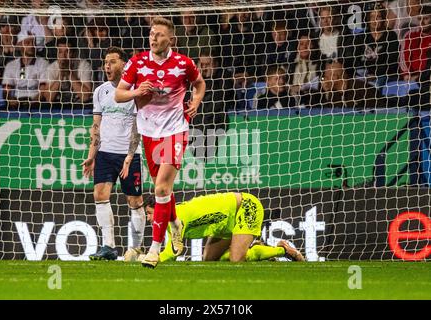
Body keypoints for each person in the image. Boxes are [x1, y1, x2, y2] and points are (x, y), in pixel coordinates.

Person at [115, 17, 206, 268]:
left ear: (171, 39)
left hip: (175, 130)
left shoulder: (183, 63)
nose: (153, 38)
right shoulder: (138, 62)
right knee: (161, 188)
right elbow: (119, 94)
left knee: (162, 189)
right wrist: (137, 91)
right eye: (152, 33)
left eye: (159, 34)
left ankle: (155, 250)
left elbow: (199, 84)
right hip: (148, 134)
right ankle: (176, 224)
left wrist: (196, 101)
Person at [82, 47, 145, 261]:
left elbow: (137, 126)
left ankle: (135, 249)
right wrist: (92, 155)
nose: (107, 66)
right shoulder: (100, 91)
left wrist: (129, 155)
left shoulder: (134, 91)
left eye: (112, 61)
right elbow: (96, 126)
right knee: (100, 195)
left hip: (129, 155)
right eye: (105, 62)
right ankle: (108, 246)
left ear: (124, 65)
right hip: (105, 154)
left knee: (135, 201)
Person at [129, 192, 305, 263]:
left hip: (245, 207)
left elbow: (174, 251)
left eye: (151, 213)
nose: (149, 218)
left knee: (237, 259)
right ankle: (254, 248)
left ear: (162, 209)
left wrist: (146, 258)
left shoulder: (177, 219)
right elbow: (172, 252)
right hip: (223, 224)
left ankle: (282, 251)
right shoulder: (170, 221)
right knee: (210, 260)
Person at [2, 32, 49, 110]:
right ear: (20, 46)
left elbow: (43, 90)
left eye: (33, 43)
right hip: (16, 104)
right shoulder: (11, 65)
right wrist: (10, 100)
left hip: (37, 105)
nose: (31, 46)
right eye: (27, 43)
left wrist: (33, 102)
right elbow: (6, 90)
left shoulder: (43, 63)